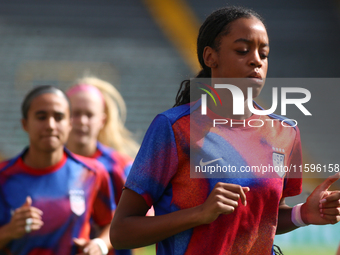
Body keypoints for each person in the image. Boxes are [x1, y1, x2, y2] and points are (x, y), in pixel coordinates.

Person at [110, 6, 340, 255]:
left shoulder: (285, 132)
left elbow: (266, 218)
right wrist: (199, 214)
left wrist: (302, 214)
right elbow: (121, 232)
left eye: (264, 54)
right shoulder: (174, 128)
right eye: (242, 50)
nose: (256, 60)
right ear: (210, 57)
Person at [0, 85, 115, 255]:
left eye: (59, 117)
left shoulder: (92, 172)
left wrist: (100, 244)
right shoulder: (4, 176)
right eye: (41, 117)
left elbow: (112, 223)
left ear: (69, 124)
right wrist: (9, 231)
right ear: (25, 124)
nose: (50, 125)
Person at [65, 76, 139, 206]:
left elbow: (145, 218)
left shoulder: (121, 167)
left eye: (89, 115)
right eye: (76, 113)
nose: (82, 121)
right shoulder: (44, 163)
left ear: (102, 121)